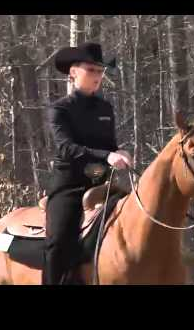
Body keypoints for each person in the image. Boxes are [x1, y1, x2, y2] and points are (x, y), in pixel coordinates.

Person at [43, 42, 132, 285]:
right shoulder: (60, 109)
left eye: (100, 71)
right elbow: (67, 148)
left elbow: (110, 145)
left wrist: (119, 152)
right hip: (70, 186)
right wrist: (107, 156)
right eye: (91, 70)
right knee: (58, 241)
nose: (97, 76)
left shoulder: (106, 109)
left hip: (103, 184)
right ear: (73, 72)